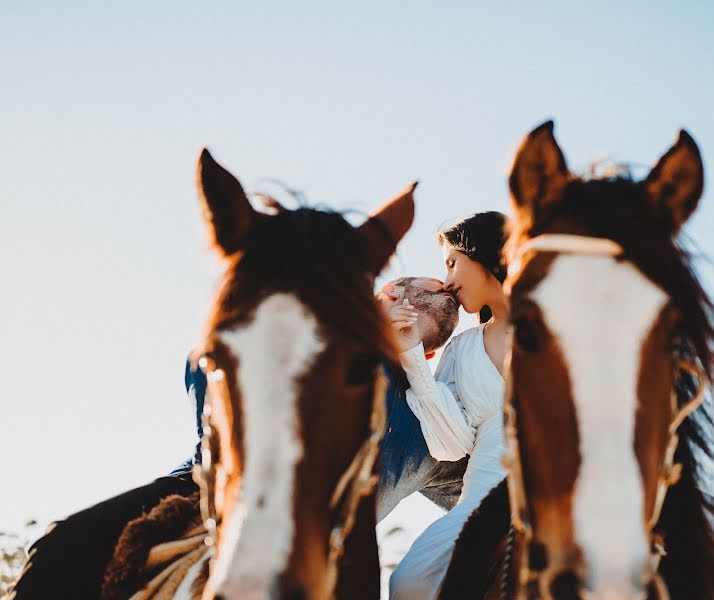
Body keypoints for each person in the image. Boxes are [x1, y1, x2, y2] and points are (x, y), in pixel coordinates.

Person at [11, 276, 467, 598]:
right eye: (436, 283)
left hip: (332, 548)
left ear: (428, 350)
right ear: (386, 294)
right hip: (205, 491)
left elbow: (482, 492)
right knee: (60, 550)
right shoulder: (307, 333)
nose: (449, 289)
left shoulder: (430, 417)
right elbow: (205, 357)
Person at [389, 211, 511, 599]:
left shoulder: (560, 322)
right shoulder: (464, 348)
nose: (448, 280)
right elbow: (450, 445)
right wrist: (410, 355)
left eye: (452, 262)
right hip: (487, 499)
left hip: (572, 475)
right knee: (409, 582)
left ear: (486, 254)